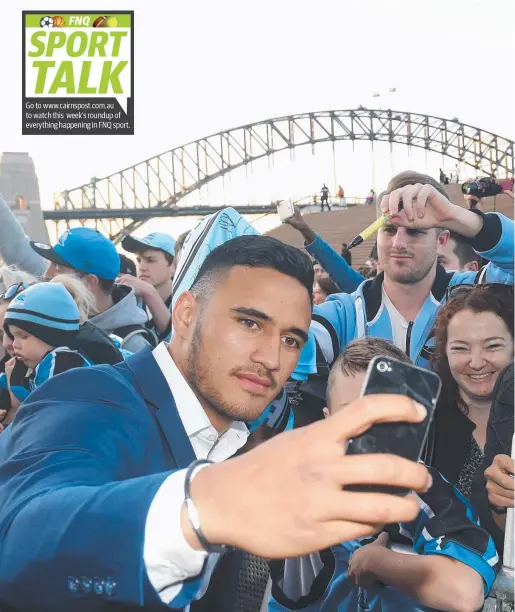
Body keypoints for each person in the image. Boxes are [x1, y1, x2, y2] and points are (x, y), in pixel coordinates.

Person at [0, 235, 431, 611]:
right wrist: (205, 507)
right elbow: (20, 538)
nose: (271, 357)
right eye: (249, 323)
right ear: (186, 313)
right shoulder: (90, 396)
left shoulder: (239, 440)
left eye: (290, 339)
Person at [269, 338, 497, 612]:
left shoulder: (426, 492)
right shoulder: (295, 484)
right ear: (328, 420)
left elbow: (464, 593)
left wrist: (378, 563)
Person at [290, 171, 513, 426]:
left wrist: (458, 217)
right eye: (389, 230)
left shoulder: (473, 295)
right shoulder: (344, 314)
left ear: (441, 240)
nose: (398, 243)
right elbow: (285, 349)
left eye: (415, 231)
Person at [430, 284, 514, 499]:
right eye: (461, 348)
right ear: (444, 354)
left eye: (492, 346)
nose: (476, 363)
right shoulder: (424, 425)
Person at [0, 279, 123, 423]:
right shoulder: (28, 361)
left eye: (24, 336)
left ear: (49, 335)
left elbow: (46, 416)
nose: (15, 344)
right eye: (13, 336)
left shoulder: (62, 362)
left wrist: (13, 417)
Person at [31, 228, 155, 352]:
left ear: (90, 282)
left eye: (58, 267)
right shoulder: (57, 322)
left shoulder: (131, 345)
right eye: (50, 263)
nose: (47, 274)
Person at [120, 232, 177, 341]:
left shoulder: (188, 303)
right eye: (139, 260)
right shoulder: (132, 301)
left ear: (174, 266)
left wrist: (149, 293)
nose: (142, 267)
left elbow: (178, 343)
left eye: (150, 260)